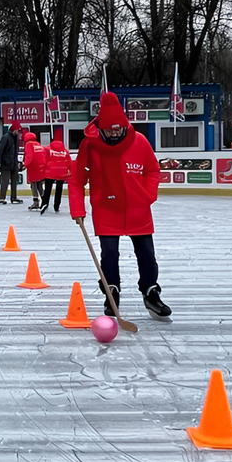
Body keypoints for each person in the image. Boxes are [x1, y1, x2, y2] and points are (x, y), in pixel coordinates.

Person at [69, 92, 172, 318]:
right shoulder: (90, 146)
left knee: (146, 254)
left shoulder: (139, 142)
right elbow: (77, 179)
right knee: (109, 254)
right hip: (106, 209)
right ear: (102, 128)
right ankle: (111, 291)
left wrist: (147, 195)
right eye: (109, 130)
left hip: (138, 209)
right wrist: (77, 209)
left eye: (118, 129)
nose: (114, 133)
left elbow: (153, 170)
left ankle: (150, 291)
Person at [40, 134, 71, 214]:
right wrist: (70, 171)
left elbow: (43, 160)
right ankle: (56, 206)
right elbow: (69, 163)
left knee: (47, 189)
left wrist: (42, 170)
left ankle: (45, 203)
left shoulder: (47, 150)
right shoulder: (65, 151)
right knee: (59, 189)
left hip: (50, 172)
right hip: (62, 173)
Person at [0, 122, 23, 204]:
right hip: (5, 163)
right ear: (14, 130)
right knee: (5, 181)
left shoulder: (16, 138)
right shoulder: (5, 137)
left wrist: (16, 162)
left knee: (14, 181)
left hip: (13, 163)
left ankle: (14, 197)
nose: (19, 132)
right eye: (18, 130)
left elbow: (15, 152)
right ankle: (1, 198)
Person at [23, 131, 45, 209]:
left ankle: (36, 202)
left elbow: (29, 156)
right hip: (41, 167)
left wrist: (25, 164)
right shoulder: (38, 144)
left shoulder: (29, 144)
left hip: (33, 167)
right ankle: (44, 200)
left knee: (33, 185)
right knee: (39, 185)